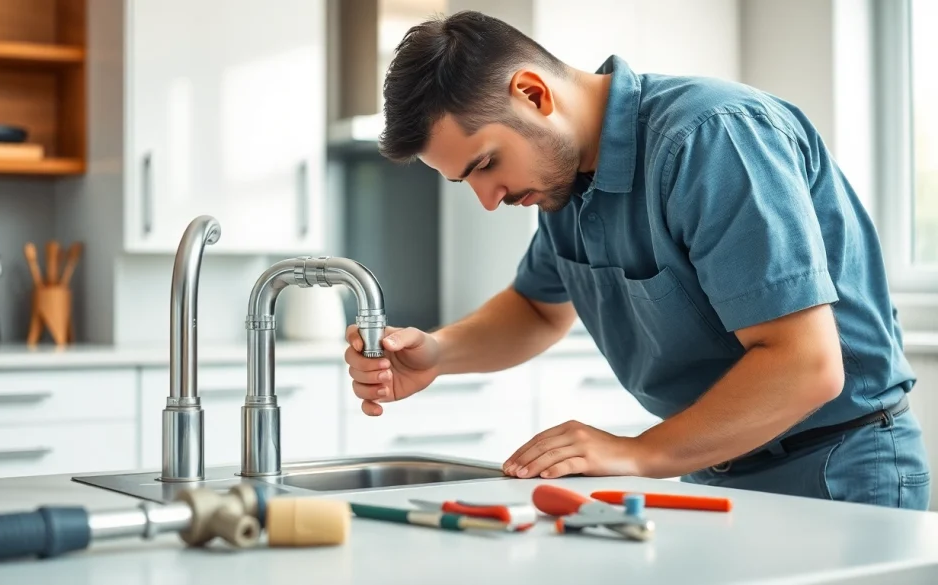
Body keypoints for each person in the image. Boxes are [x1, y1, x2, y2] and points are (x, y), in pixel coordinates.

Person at [342, 10, 931, 510]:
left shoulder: (710, 138)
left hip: (836, 466)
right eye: (465, 181)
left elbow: (805, 365)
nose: (489, 200)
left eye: (487, 164)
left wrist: (638, 452)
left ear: (533, 94)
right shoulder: (564, 181)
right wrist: (438, 353)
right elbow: (537, 309)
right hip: (714, 467)